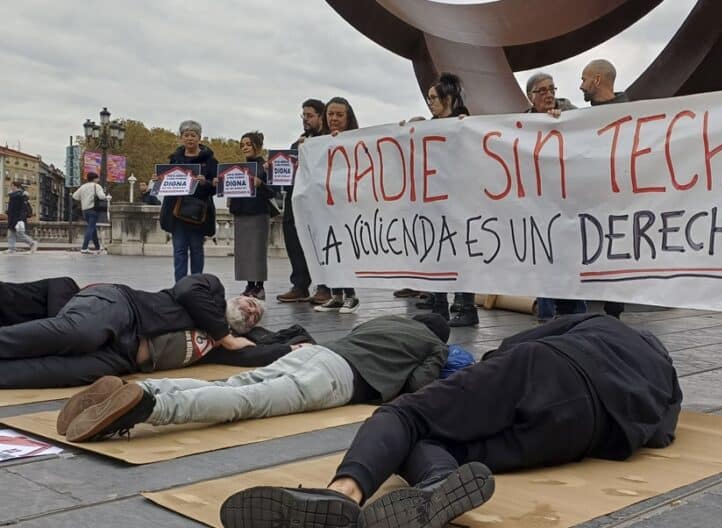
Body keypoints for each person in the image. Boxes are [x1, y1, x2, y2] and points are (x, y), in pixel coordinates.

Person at [220, 314, 682, 528]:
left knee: (406, 415)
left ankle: (342, 493)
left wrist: (487, 377)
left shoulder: (603, 323)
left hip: (543, 370)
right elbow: (661, 433)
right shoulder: (665, 377)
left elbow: (521, 343)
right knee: (455, 451)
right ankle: (438, 480)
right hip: (586, 432)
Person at [60, 313, 450, 443]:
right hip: (337, 379)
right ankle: (149, 406)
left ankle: (138, 388)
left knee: (232, 386)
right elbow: (420, 386)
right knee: (245, 403)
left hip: (314, 353)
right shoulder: (434, 344)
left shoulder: (387, 319)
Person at [0, 274, 259, 388]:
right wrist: (225, 337)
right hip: (121, 308)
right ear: (240, 296)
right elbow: (187, 291)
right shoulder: (213, 290)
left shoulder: (219, 343)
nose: (251, 310)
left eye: (255, 316)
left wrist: (285, 346)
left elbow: (261, 352)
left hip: (124, 359)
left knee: (61, 372)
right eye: (251, 303)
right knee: (80, 334)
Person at [522, 72, 586, 321]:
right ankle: (547, 318)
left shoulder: (570, 114)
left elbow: (589, 130)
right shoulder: (520, 124)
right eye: (542, 91)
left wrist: (565, 122)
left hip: (568, 201)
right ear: (530, 97)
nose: (549, 95)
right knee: (544, 258)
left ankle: (576, 317)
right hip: (538, 203)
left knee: (570, 259)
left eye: (552, 89)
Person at [420, 73, 479, 327]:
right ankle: (439, 306)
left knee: (461, 254)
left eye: (434, 98)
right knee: (436, 253)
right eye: (428, 98)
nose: (430, 103)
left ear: (448, 98)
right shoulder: (429, 127)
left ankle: (467, 307)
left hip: (460, 201)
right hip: (435, 202)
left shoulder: (466, 124)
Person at [580, 59, 629, 319]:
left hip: (621, 205)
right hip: (590, 204)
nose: (581, 86)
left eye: (584, 79)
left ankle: (613, 315)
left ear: (597, 80)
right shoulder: (580, 119)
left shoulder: (634, 115)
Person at [277, 99, 329, 304]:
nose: (305, 120)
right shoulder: (297, 144)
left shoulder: (328, 140)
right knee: (293, 239)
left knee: (320, 242)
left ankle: (325, 286)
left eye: (309, 116)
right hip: (296, 198)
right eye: (303, 116)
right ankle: (300, 284)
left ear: (321, 116)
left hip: (319, 199)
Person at [313, 97, 361, 314]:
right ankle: (337, 294)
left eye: (339, 115)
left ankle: (351, 295)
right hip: (325, 204)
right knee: (329, 250)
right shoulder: (318, 141)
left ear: (348, 117)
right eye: (330, 114)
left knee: (344, 249)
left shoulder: (356, 140)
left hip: (346, 203)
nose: (334, 118)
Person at [159, 120, 218, 282]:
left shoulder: (211, 161)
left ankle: (196, 285)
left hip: (198, 212)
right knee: (179, 251)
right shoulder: (174, 160)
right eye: (186, 135)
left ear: (199, 137)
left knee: (197, 250)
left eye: (193, 135)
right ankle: (180, 286)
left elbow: (217, 187)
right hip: (176, 211)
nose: (189, 138)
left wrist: (205, 182)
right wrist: (159, 180)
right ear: (181, 138)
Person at [229, 132, 272, 300]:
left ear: (257, 146)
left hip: (258, 212)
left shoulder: (265, 166)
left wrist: (261, 184)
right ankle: (249, 284)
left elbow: (273, 192)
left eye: (248, 144)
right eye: (242, 145)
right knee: (243, 252)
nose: (245, 147)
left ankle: (259, 286)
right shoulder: (238, 168)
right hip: (241, 212)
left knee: (257, 251)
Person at [71, 172, 107, 254]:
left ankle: (97, 248)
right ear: (94, 179)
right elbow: (101, 196)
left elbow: (75, 196)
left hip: (84, 210)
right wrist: (106, 196)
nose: (98, 179)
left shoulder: (83, 187)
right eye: (97, 178)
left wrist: (84, 198)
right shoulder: (97, 186)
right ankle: (84, 248)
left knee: (93, 228)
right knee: (90, 228)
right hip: (93, 209)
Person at [3, 181, 38, 254]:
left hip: (18, 218)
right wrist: (8, 212)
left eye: (12, 186)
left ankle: (32, 243)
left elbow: (23, 208)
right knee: (10, 234)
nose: (11, 187)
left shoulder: (22, 195)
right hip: (12, 217)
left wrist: (21, 219)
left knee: (20, 234)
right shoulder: (12, 195)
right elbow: (12, 207)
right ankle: (11, 248)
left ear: (15, 186)